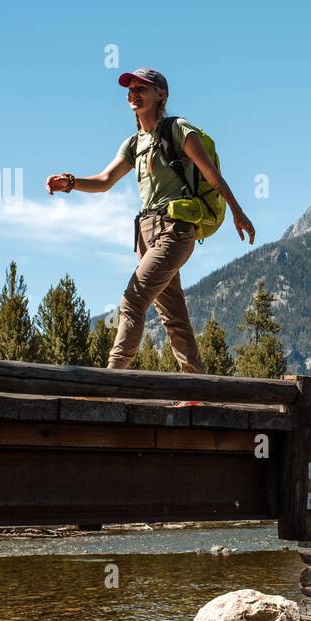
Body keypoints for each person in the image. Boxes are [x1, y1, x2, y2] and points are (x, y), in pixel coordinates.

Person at [45, 68, 255, 388]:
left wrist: (238, 212)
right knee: (174, 317)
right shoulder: (133, 144)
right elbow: (104, 182)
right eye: (130, 88)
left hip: (176, 230)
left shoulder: (178, 129)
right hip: (145, 234)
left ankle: (112, 381)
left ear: (161, 95)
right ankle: (196, 389)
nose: (133, 92)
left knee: (132, 301)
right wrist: (71, 183)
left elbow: (212, 176)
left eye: (142, 87)